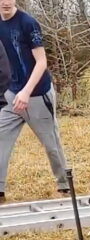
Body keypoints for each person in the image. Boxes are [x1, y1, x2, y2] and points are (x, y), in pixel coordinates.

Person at [0, 0, 69, 203]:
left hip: (37, 93)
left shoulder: (28, 23)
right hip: (13, 94)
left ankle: (65, 187)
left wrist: (26, 93)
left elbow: (42, 62)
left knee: (51, 144)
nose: (5, 2)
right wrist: (16, 92)